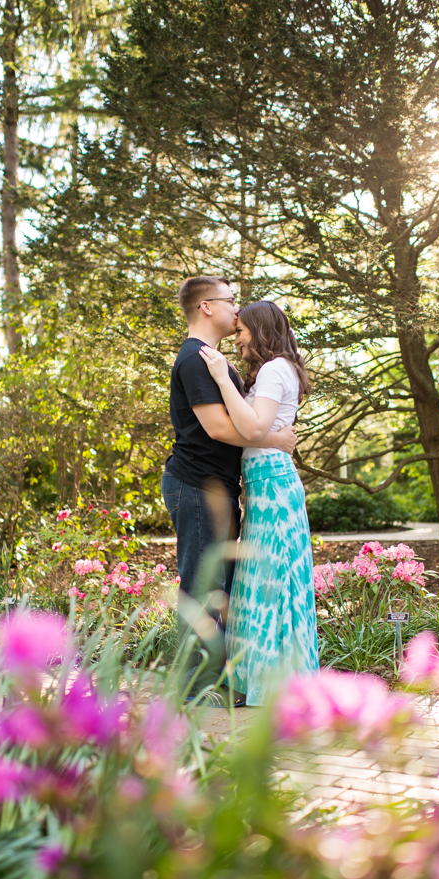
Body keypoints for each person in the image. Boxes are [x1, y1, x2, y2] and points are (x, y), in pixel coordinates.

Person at [161, 276, 298, 705]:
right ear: (206, 307)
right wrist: (275, 439)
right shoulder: (196, 359)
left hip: (218, 488)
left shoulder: (216, 361)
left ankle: (215, 681)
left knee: (219, 585)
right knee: (203, 585)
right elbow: (220, 428)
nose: (237, 311)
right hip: (196, 484)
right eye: (230, 301)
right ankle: (199, 690)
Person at [199, 300, 319, 705]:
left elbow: (253, 427)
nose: (238, 339)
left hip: (274, 485)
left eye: (242, 331)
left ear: (260, 329)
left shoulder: (273, 369)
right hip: (265, 484)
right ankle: (263, 682)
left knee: (272, 586)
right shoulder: (272, 370)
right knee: (261, 586)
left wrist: (220, 377)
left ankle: (280, 688)